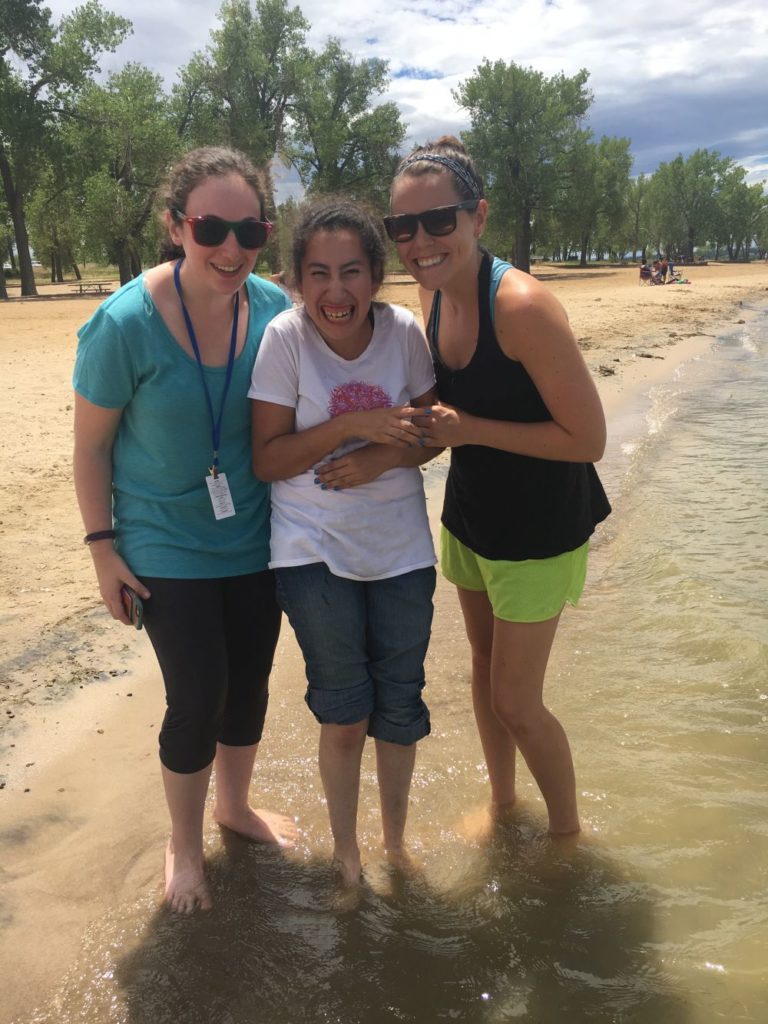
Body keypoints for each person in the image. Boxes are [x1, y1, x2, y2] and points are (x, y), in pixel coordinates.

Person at [73, 146, 296, 914]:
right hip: (162, 544)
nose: (231, 249)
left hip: (257, 539)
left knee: (251, 688)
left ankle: (235, 808)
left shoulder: (273, 310)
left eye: (250, 230)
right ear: (176, 226)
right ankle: (184, 842)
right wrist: (102, 550)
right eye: (210, 228)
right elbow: (91, 445)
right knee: (196, 695)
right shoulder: (124, 323)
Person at [386, 137, 611, 837]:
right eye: (403, 227)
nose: (421, 241)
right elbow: (445, 423)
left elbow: (588, 440)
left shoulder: (522, 306)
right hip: (472, 516)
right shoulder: (431, 292)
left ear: (478, 216)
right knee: (485, 675)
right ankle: (504, 804)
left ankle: (567, 834)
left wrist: (470, 428)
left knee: (517, 700)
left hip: (541, 529)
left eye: (439, 221)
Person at [250, 197, 437, 884]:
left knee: (400, 706)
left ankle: (394, 845)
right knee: (344, 711)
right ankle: (348, 858)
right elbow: (268, 460)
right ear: (298, 279)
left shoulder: (405, 333)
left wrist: (382, 457)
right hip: (311, 550)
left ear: (376, 276)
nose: (337, 291)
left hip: (402, 552)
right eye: (319, 273)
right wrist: (343, 434)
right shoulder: (285, 340)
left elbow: (425, 436)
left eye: (352, 272)